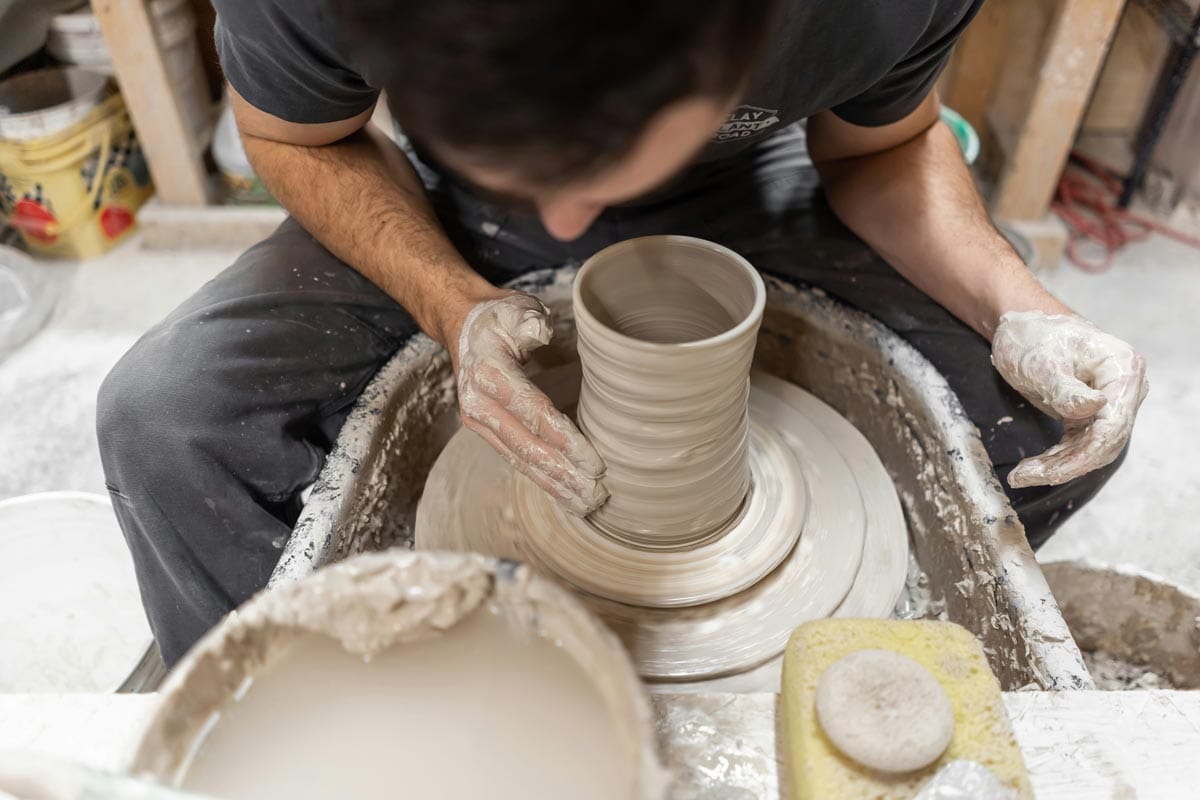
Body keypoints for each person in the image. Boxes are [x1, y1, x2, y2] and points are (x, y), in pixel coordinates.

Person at [97, 0, 1148, 666]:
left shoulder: (860, 11)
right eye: (542, 170)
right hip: (437, 204)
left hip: (745, 189)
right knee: (170, 420)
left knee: (1047, 423)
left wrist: (1022, 307)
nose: (569, 224)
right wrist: (451, 299)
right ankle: (320, 707)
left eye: (600, 162)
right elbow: (295, 136)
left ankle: (860, 656)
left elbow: (883, 148)